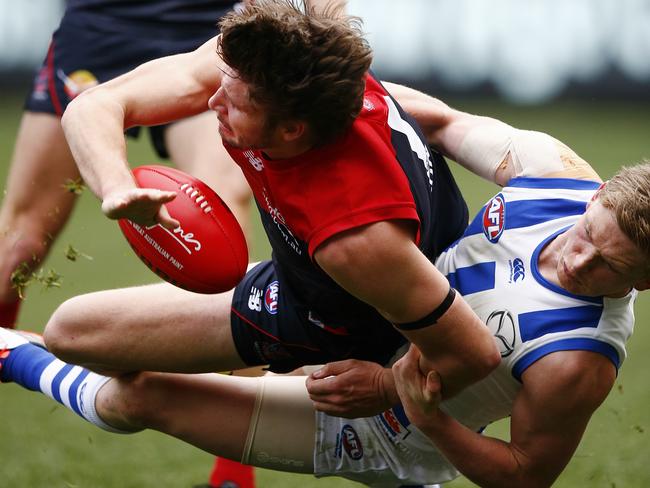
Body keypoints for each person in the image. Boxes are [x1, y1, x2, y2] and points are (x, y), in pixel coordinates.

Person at [1, 97, 648, 485]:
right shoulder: (558, 176)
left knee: (138, 398)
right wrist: (339, 99)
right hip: (356, 315)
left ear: (640, 282)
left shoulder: (579, 357)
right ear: (595, 196)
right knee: (81, 333)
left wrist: (416, 409)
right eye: (587, 231)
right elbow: (439, 120)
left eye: (601, 268)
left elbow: (526, 474)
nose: (573, 256)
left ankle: (13, 357)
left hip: (379, 427)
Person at [45, 0, 499, 396]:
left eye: (236, 103)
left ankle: (299, 384)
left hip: (337, 325)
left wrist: (383, 387)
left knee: (124, 388)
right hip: (318, 278)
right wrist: (117, 185)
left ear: (291, 130)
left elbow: (473, 357)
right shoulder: (309, 72)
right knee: (71, 330)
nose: (212, 101)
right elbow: (94, 105)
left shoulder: (354, 233)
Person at [0, 0, 253, 330]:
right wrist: (115, 184)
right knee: (21, 240)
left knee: (218, 229)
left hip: (208, 23)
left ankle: (246, 367)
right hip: (102, 26)